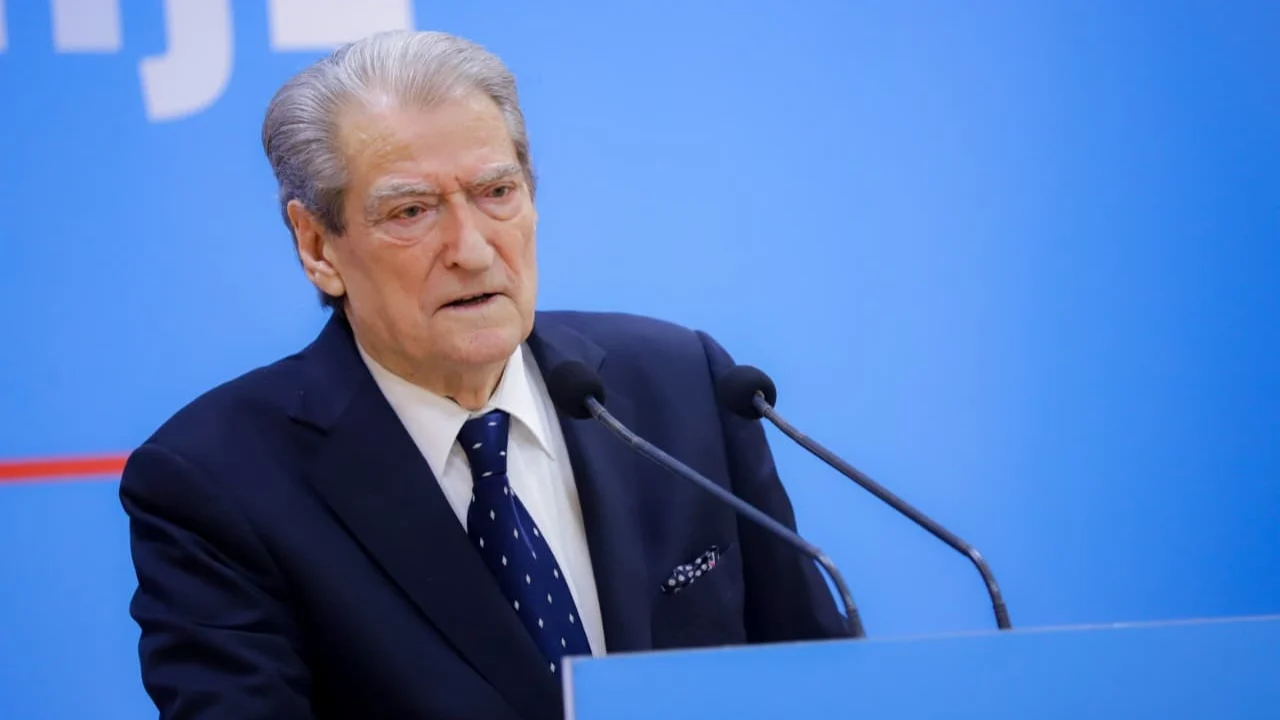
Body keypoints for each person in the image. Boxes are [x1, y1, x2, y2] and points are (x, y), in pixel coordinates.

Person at [120, 29, 845, 720]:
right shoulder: (218, 482)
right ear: (317, 247)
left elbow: (820, 680)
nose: (471, 249)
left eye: (497, 193)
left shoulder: (683, 388)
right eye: (411, 210)